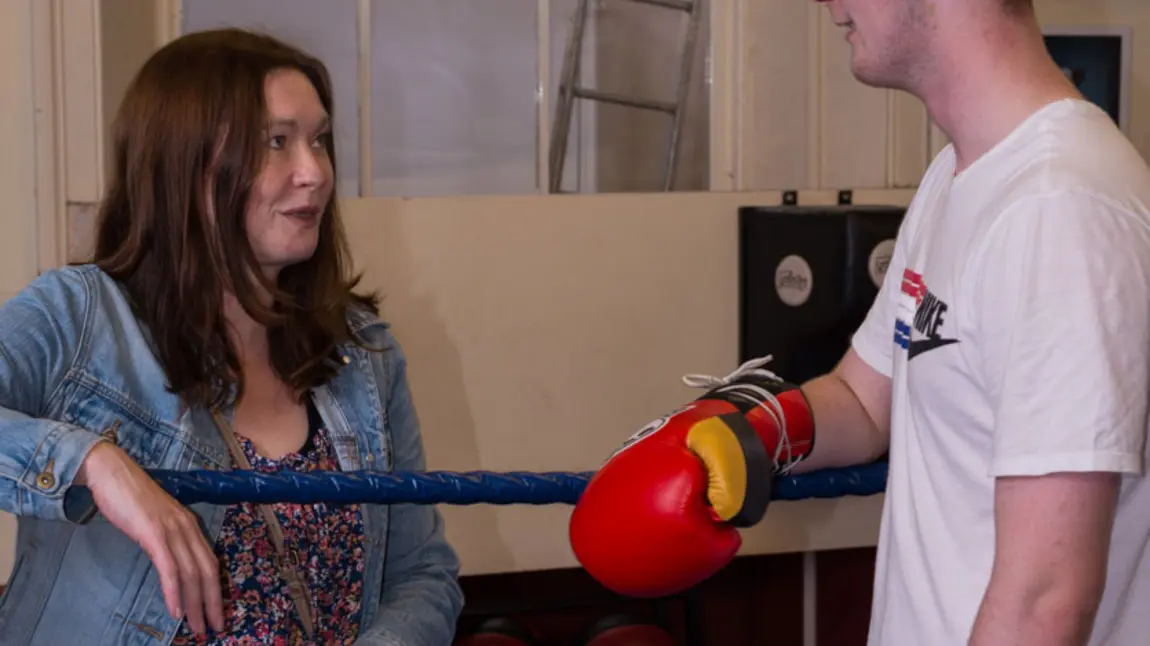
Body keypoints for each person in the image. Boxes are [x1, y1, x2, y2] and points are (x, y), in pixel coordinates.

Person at [570, 1, 1150, 644]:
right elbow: (864, 401)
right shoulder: (963, 176)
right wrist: (754, 433)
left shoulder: (1058, 210)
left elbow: (1047, 599)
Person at [0, 28, 463, 645]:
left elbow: (423, 574)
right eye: (276, 142)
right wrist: (94, 463)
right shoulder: (76, 313)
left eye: (319, 140)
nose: (314, 173)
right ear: (185, 164)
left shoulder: (363, 352)